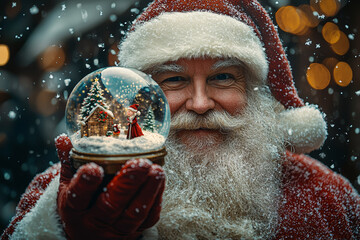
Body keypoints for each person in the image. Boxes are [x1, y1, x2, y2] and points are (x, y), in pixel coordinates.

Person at [2, 0, 359, 239]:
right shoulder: (70, 192)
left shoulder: (327, 196)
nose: (201, 103)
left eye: (222, 77)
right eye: (174, 79)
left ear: (253, 91)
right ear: (140, 97)